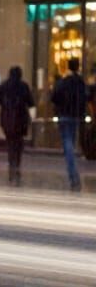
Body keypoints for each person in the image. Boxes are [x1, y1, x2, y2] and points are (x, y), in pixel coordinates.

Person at [51, 57, 88, 193]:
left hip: (64, 115)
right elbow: (85, 97)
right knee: (71, 140)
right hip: (75, 116)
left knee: (68, 143)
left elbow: (54, 97)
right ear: (78, 67)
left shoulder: (64, 81)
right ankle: (73, 174)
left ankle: (73, 175)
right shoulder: (80, 82)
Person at [0, 65, 34, 186]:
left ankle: (12, 166)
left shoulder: (4, 86)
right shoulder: (24, 86)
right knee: (18, 143)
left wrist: (6, 105)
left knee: (10, 143)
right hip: (20, 120)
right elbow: (30, 102)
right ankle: (17, 166)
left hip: (7, 119)